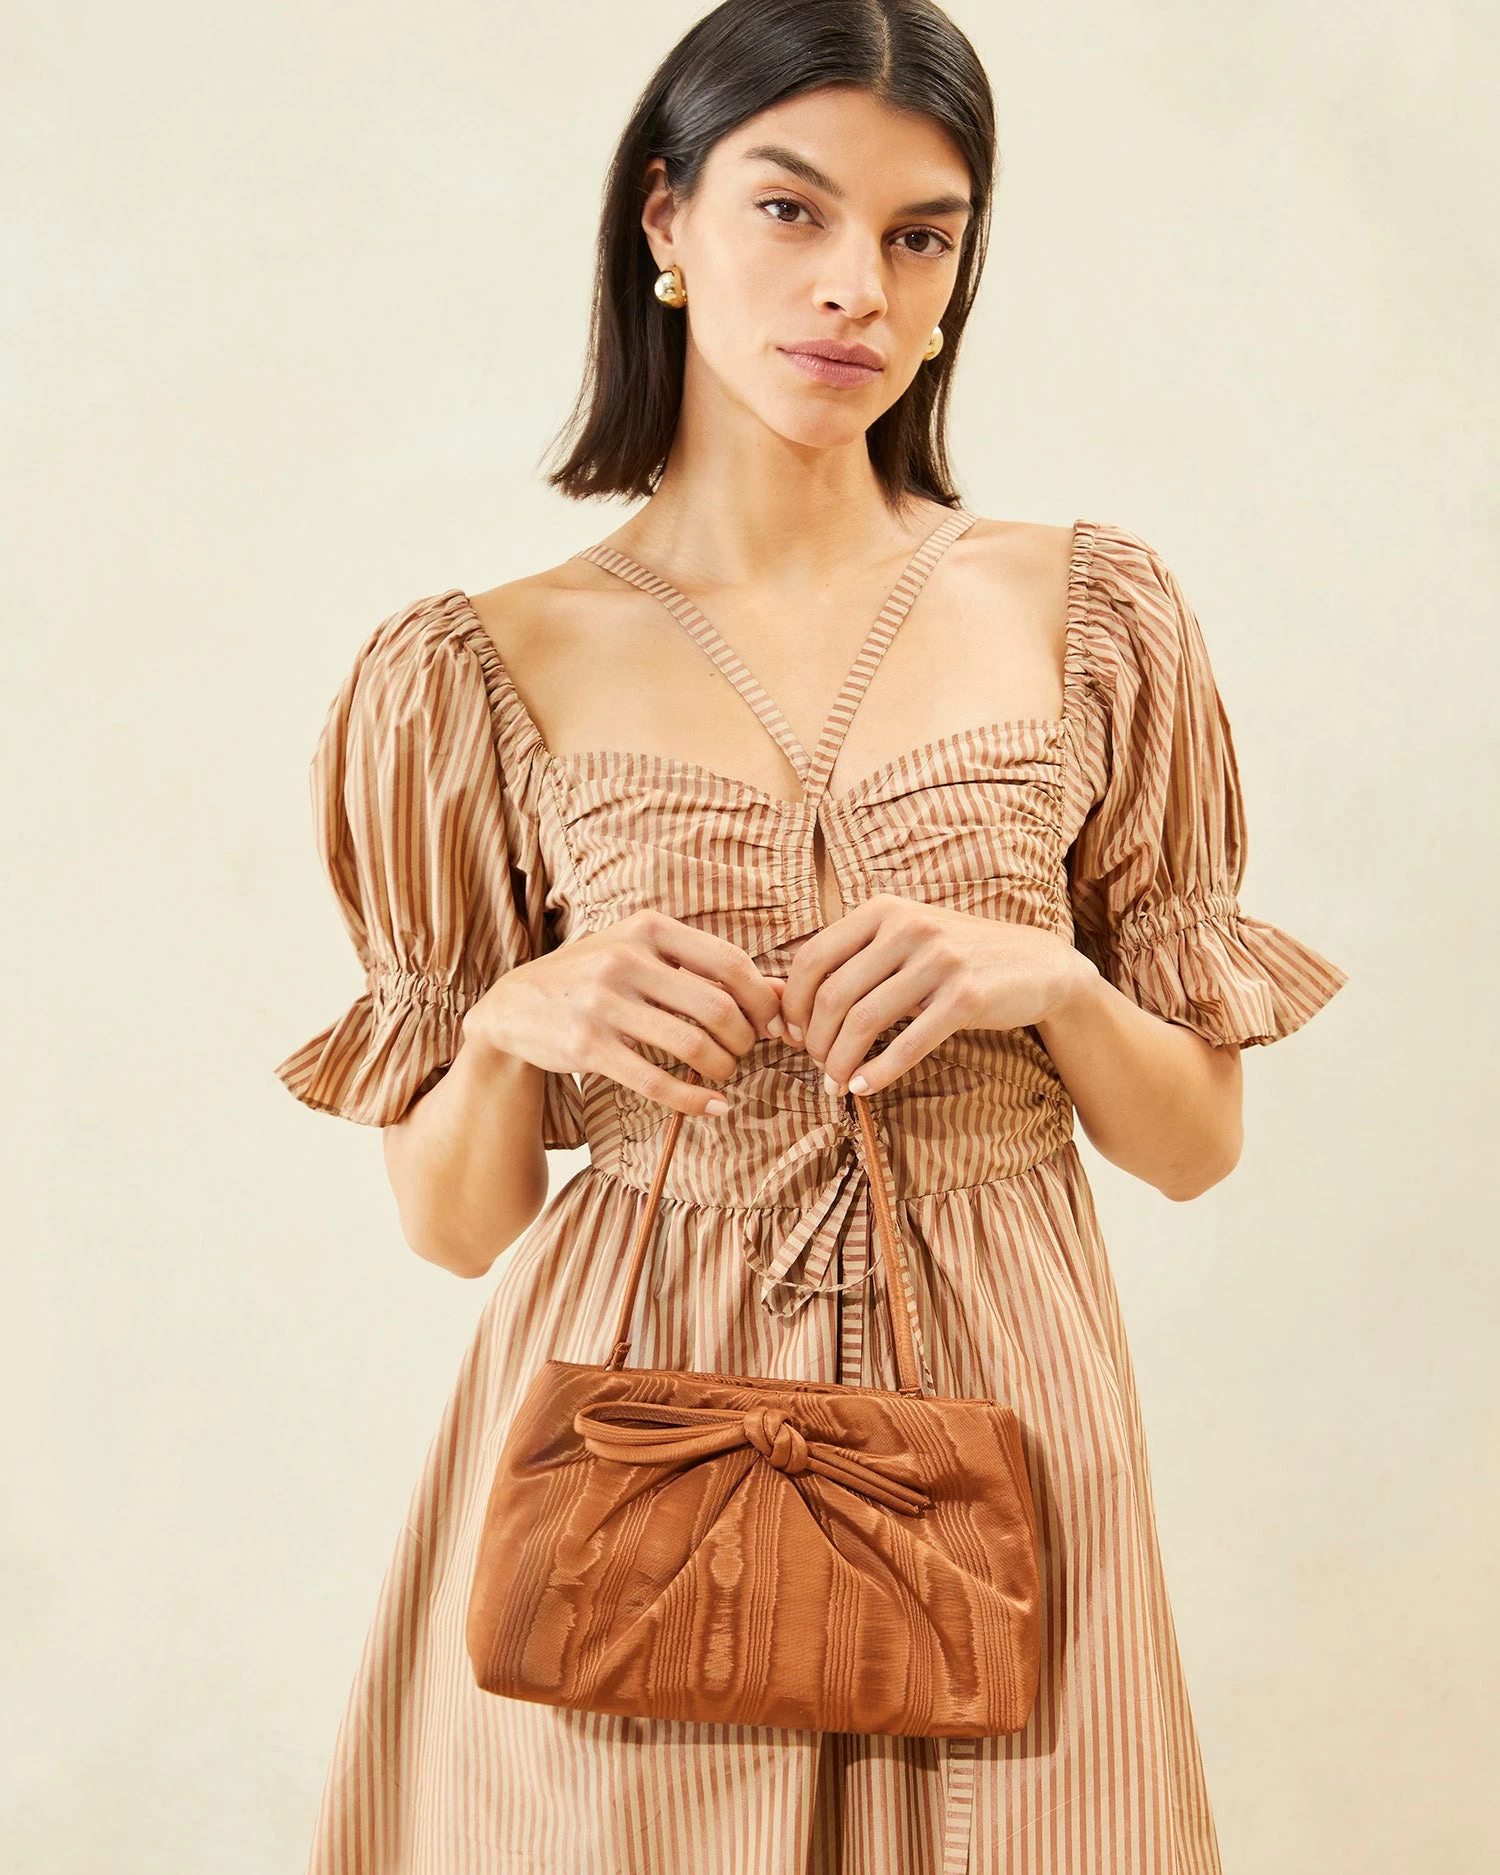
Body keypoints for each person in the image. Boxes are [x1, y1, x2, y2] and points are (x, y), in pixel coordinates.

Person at [274, 3, 1348, 1870]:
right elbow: (454, 1226)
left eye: (922, 235)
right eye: (793, 210)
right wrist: (516, 1022)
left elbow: (1195, 1143)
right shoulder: (478, 666)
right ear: (666, 222)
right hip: (632, 1437)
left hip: (1003, 1404)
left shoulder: (1084, 613)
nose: (859, 284)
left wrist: (1052, 982)